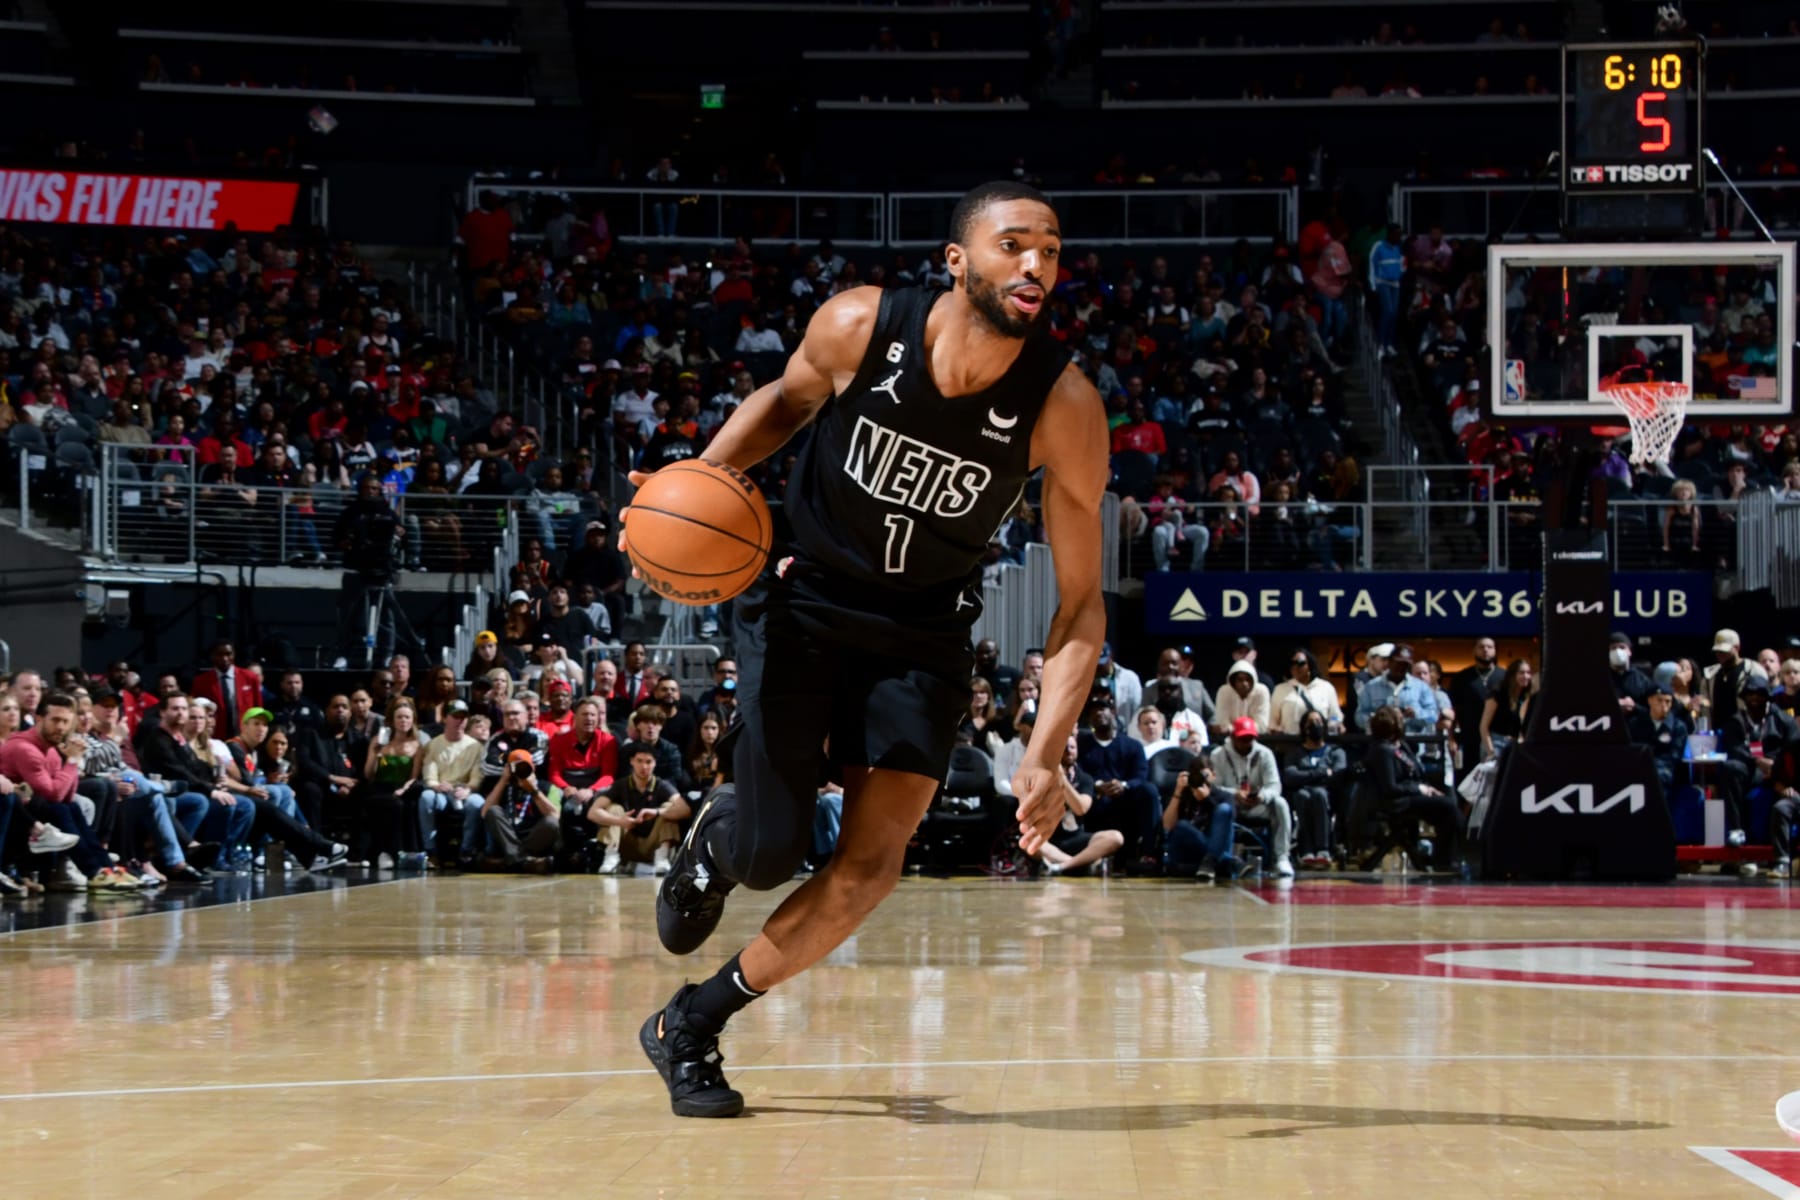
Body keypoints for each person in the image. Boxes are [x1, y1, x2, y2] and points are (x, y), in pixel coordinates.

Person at [629, 181, 1106, 1119]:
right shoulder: (859, 324)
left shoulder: (1063, 403)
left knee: (869, 868)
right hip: (804, 601)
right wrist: (689, 489)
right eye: (1014, 245)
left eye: (1051, 250)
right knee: (770, 853)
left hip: (923, 636)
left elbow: (1082, 603)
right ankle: (717, 842)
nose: (1037, 266)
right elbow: (784, 402)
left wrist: (1046, 749)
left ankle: (689, 1023)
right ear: (957, 260)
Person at [1363, 705, 1462, 871]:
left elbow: (1416, 773)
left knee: (1450, 807)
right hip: (1396, 801)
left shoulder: (1400, 746)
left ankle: (1446, 858)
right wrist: (1420, 789)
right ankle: (1445, 861)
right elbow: (1390, 787)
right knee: (1448, 807)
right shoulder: (1382, 751)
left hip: (1411, 794)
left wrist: (1427, 789)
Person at [1208, 716, 1292, 877]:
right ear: (1233, 737)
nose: (1247, 742)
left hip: (1257, 805)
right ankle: (1218, 857)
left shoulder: (1265, 753)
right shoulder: (1217, 755)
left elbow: (1275, 785)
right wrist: (1234, 793)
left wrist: (1262, 796)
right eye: (1242, 739)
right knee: (1221, 808)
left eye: (1250, 738)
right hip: (1232, 804)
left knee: (1280, 804)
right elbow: (1213, 788)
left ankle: (1282, 857)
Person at [1282, 710, 1344, 868]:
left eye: (1318, 722)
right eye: (1311, 722)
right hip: (1301, 792)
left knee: (1319, 794)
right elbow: (1290, 776)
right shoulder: (1295, 753)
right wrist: (1320, 773)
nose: (1315, 725)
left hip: (1327, 795)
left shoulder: (1335, 751)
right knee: (1303, 795)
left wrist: (1306, 775)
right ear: (1304, 727)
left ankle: (1323, 849)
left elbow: (1338, 774)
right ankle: (1306, 850)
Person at [1479, 659, 1534, 761]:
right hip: (1495, 743)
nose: (1526, 676)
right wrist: (1491, 752)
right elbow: (1483, 726)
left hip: (1514, 745)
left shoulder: (1525, 696)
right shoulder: (1498, 692)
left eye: (1528, 673)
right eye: (1521, 673)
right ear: (1512, 675)